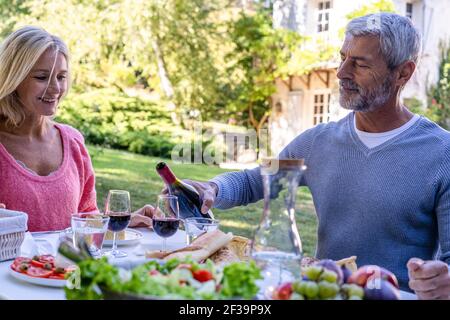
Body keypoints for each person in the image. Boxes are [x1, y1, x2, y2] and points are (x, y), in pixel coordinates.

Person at [171, 14, 450, 299]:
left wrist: (443, 282)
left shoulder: (442, 153)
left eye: (360, 64)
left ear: (403, 73)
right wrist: (212, 189)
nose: (341, 72)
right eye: (343, 58)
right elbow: (253, 183)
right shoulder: (318, 140)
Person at [0, 26, 152, 231]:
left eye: (61, 77)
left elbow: (86, 214)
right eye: (42, 77)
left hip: (65, 264)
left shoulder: (72, 142)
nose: (55, 88)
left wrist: (121, 222)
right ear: (14, 78)